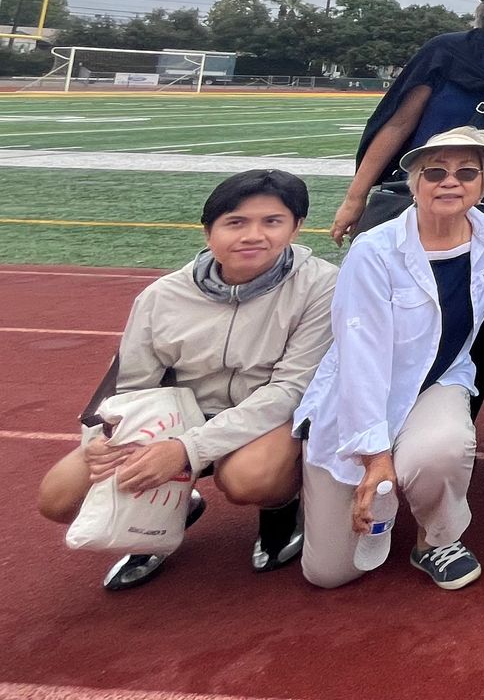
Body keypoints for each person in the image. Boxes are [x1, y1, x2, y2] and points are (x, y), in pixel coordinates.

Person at [37, 169, 337, 591]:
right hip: (177, 416)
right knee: (59, 496)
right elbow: (130, 385)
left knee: (250, 478)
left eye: (272, 222)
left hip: (265, 417)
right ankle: (166, 512)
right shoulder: (161, 296)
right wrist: (103, 442)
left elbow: (290, 390)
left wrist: (185, 451)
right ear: (207, 231)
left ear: (296, 227)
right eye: (236, 222)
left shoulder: (321, 286)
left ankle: (281, 510)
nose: (254, 235)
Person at [297, 128, 484, 591]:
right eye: (434, 172)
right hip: (365, 395)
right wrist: (376, 457)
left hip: (436, 383)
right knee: (330, 573)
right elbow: (361, 361)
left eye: (466, 173)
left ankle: (434, 540)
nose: (450, 182)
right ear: (414, 182)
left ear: (483, 185)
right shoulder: (374, 252)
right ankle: (335, 492)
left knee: (444, 449)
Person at [329, 0, 484, 404]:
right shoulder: (445, 52)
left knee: (478, 321)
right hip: (423, 205)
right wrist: (354, 197)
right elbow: (399, 121)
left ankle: (456, 424)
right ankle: (367, 418)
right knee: (393, 314)